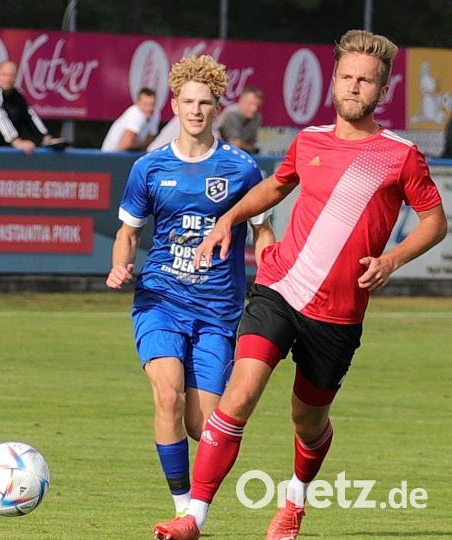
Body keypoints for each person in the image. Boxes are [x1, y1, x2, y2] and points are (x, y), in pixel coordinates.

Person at [154, 30, 447, 540]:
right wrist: (230, 218)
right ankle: (192, 517)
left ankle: (293, 503)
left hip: (337, 315)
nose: (354, 87)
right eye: (348, 77)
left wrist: (392, 260)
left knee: (307, 422)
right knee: (239, 395)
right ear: (334, 80)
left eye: (366, 81)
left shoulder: (399, 155)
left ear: (383, 91)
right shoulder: (308, 140)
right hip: (280, 288)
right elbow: (275, 185)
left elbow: (434, 222)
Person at [107, 55, 274, 520]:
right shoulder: (149, 168)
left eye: (205, 103)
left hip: (218, 311)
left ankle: (194, 499)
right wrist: (120, 266)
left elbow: (262, 232)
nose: (196, 110)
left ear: (217, 107)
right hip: (160, 299)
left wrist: (272, 273)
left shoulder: (242, 170)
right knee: (167, 395)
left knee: (205, 427)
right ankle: (186, 512)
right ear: (175, 106)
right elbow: (128, 233)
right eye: (187, 101)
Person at [0, 61, 51, 154]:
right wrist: (15, 141)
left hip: (9, 151)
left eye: (12, 75)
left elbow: (29, 115)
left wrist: (45, 136)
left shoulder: (17, 95)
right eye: (4, 74)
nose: (8, 79)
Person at [101, 88, 159, 152]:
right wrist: (142, 144)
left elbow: (150, 139)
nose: (149, 108)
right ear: (138, 103)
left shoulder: (155, 113)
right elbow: (124, 145)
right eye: (145, 104)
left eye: (152, 104)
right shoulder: (135, 114)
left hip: (127, 154)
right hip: (110, 156)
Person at [216, 87, 263, 154]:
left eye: (257, 105)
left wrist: (246, 146)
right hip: (218, 152)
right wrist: (248, 147)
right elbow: (234, 144)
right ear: (241, 102)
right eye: (250, 104)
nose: (254, 109)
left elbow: (252, 145)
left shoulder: (257, 117)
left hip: (240, 153)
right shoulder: (232, 113)